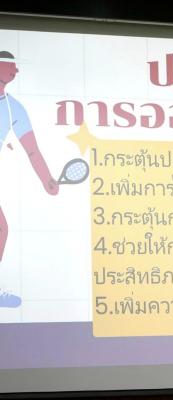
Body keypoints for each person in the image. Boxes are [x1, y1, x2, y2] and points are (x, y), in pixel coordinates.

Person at [0, 51, 59, 307]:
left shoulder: (14, 108)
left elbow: (32, 150)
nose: (16, 71)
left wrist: (47, 180)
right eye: (11, 66)